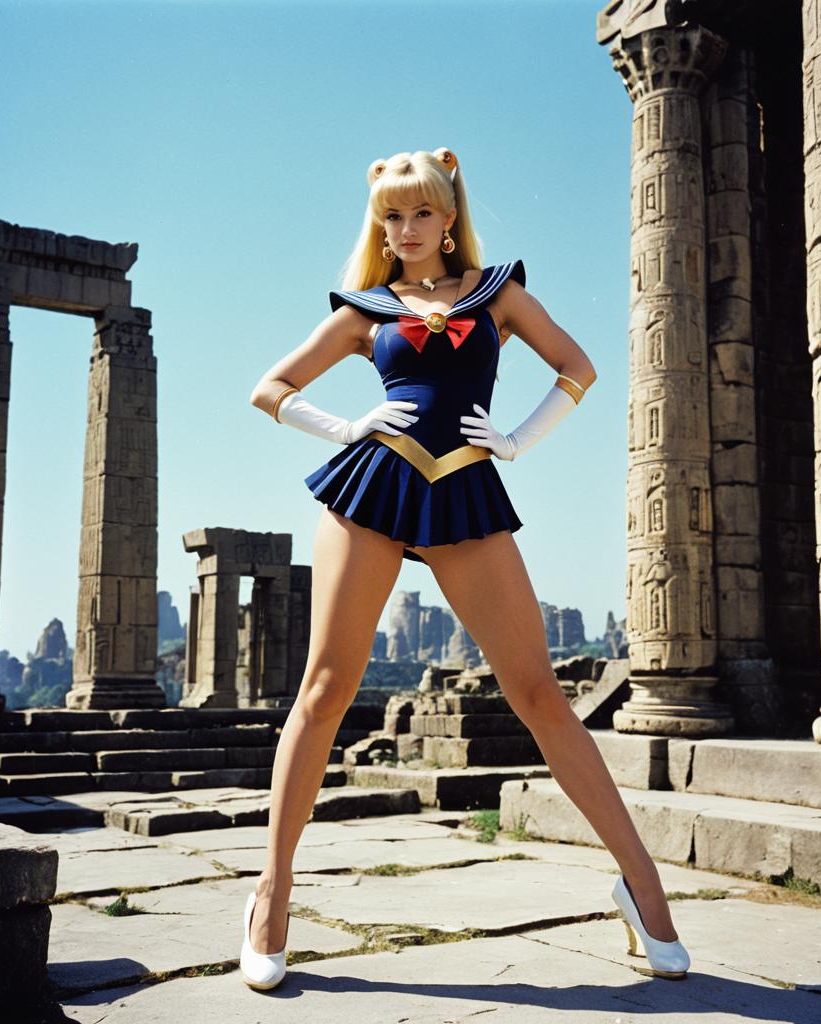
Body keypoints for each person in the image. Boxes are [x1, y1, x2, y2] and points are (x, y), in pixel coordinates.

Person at [244, 148, 690, 990]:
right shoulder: (363, 308)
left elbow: (579, 367)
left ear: (449, 218)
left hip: (466, 489)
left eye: (418, 214)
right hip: (370, 487)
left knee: (539, 696)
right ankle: (273, 893)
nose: (403, 230)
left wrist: (518, 439)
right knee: (325, 688)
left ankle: (645, 889)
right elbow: (268, 386)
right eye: (390, 217)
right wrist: (344, 427)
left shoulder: (498, 294)